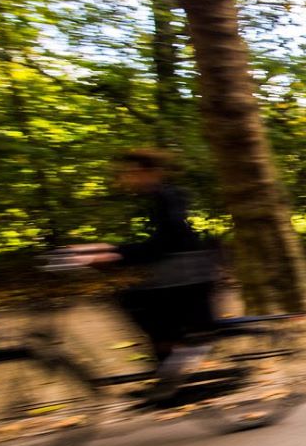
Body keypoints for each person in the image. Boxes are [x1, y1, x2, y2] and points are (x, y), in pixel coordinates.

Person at [67, 148, 218, 393]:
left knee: (133, 300)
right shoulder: (160, 197)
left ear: (149, 172)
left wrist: (113, 253)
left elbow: (165, 243)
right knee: (136, 300)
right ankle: (169, 373)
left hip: (189, 273)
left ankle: (182, 357)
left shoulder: (167, 196)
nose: (126, 178)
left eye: (131, 172)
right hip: (181, 270)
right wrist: (106, 250)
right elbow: (159, 243)